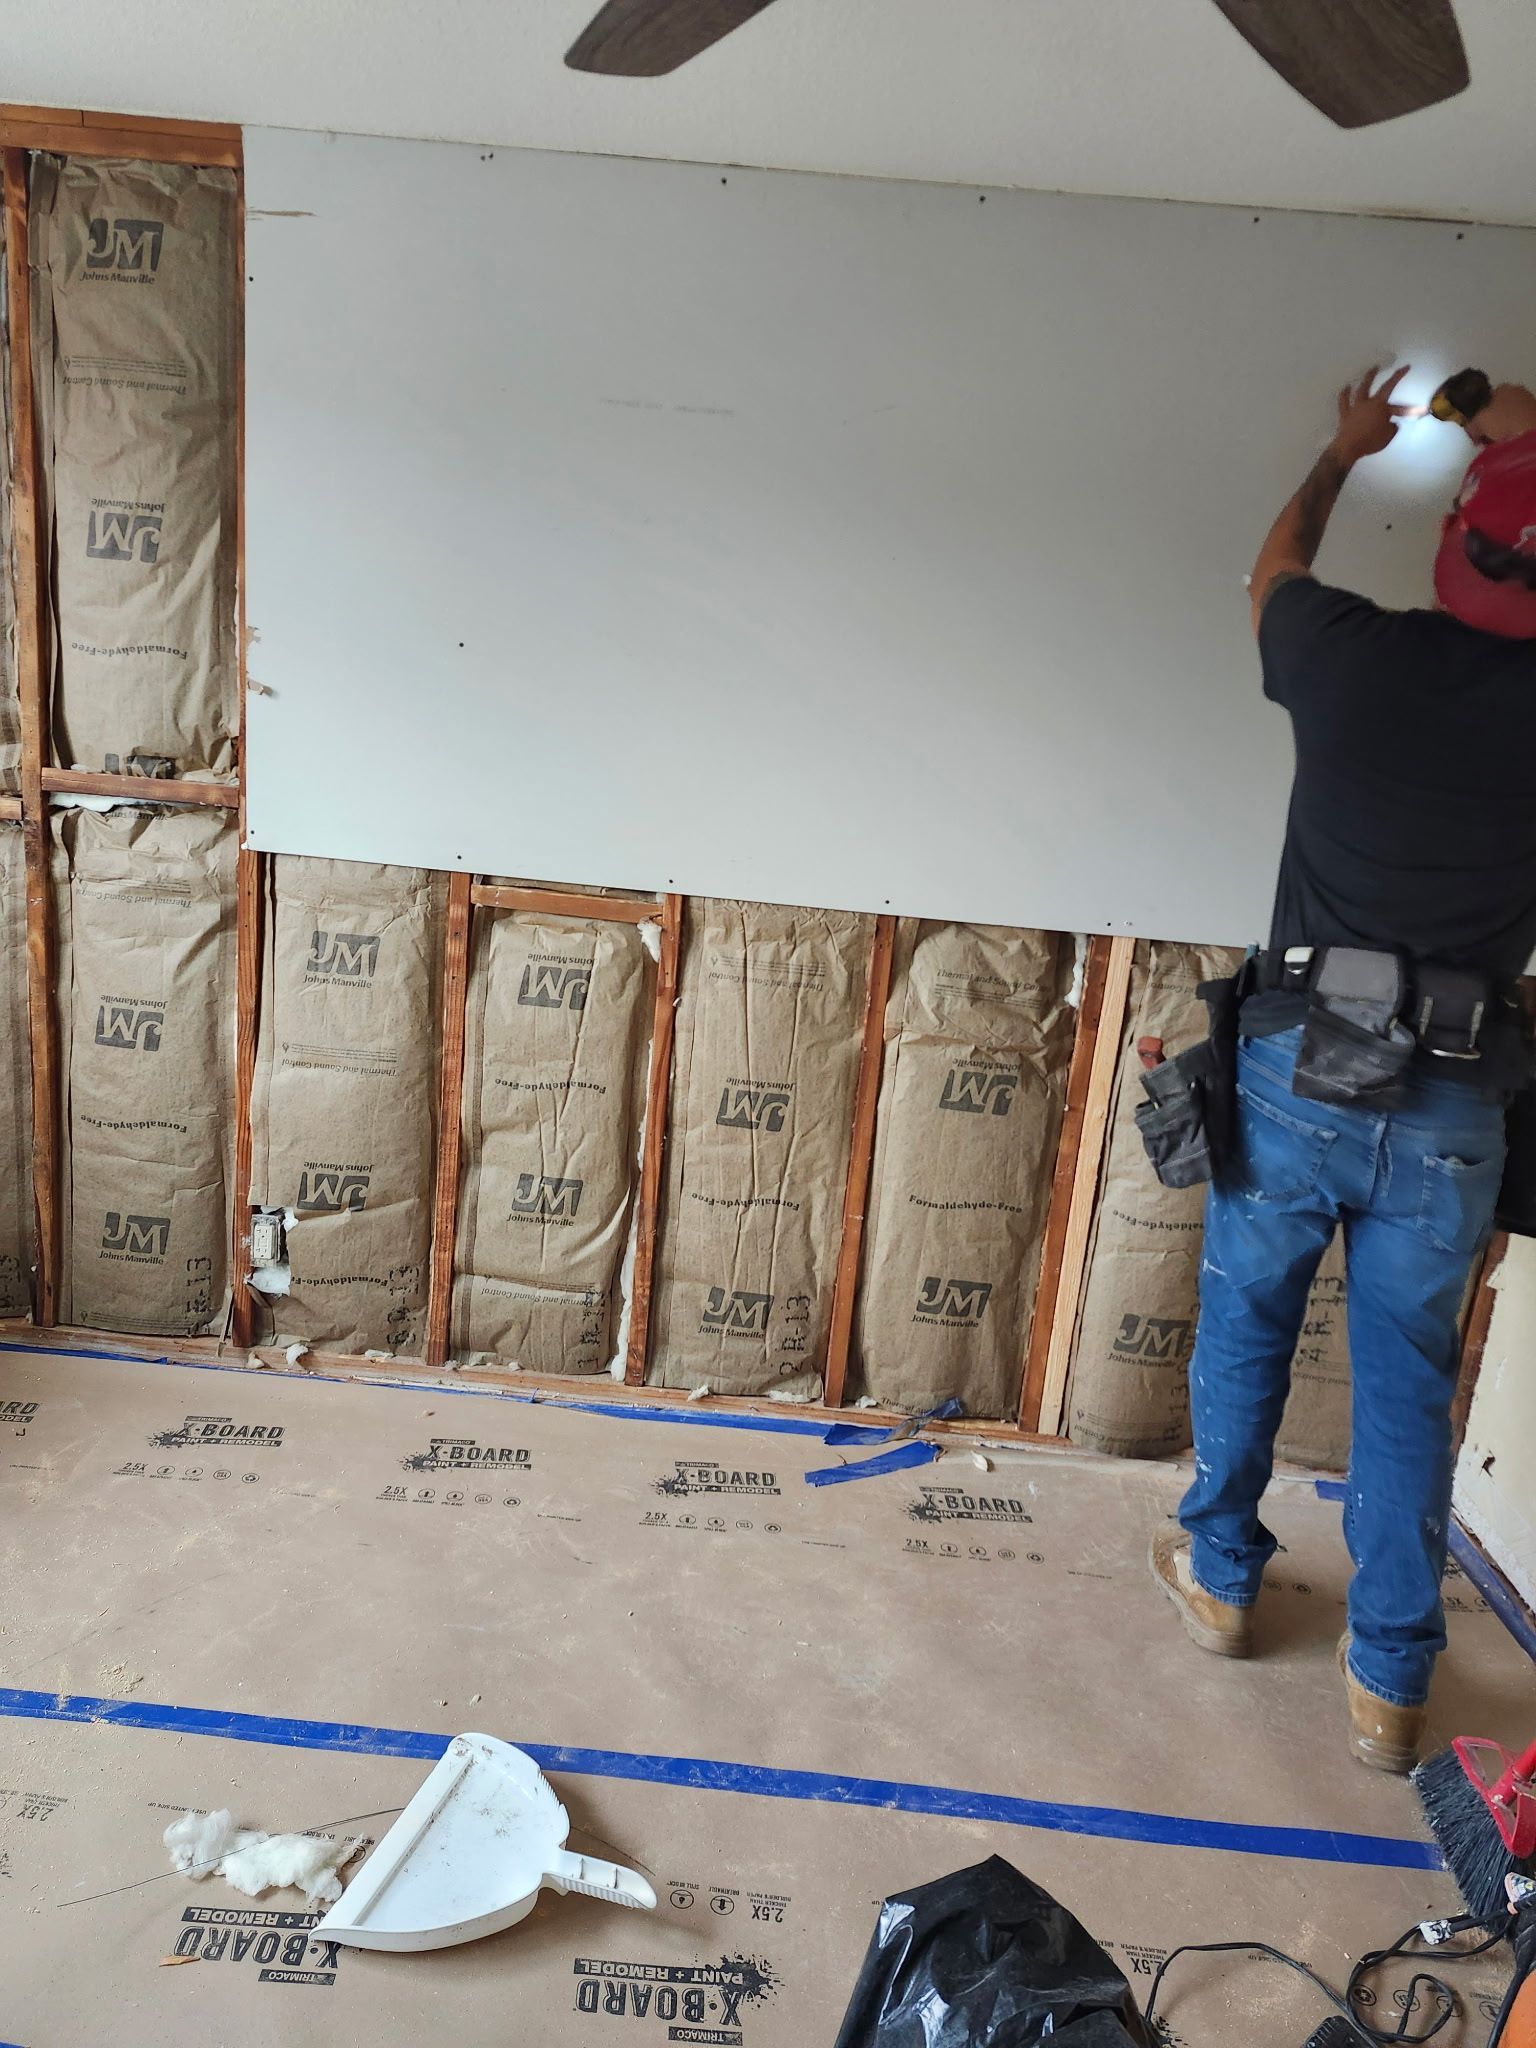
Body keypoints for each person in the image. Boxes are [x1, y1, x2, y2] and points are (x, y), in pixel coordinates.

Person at [1150, 366, 1536, 1772]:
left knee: (1249, 1326)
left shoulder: (1346, 650)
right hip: (1455, 1095)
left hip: (1301, 1065)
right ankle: (1388, 1684)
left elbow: (1269, 566)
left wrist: (1344, 452)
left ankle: (1224, 1582)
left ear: (1454, 550)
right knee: (1406, 1381)